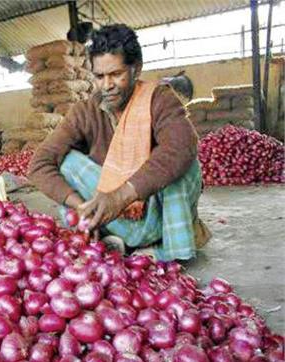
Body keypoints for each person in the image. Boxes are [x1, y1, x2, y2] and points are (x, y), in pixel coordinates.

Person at [28, 24, 210, 261]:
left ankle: (170, 254)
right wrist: (81, 206)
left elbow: (181, 146)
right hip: (113, 218)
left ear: (136, 69)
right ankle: (114, 240)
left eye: (116, 74)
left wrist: (121, 196)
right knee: (68, 163)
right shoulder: (85, 111)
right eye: (99, 76)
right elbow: (39, 164)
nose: (107, 85)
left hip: (157, 212)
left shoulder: (159, 99)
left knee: (184, 164)